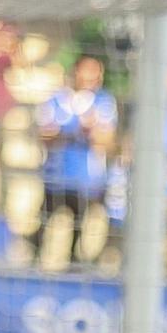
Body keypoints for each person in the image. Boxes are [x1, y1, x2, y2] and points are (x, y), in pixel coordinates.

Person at [32, 55, 117, 266]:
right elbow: (44, 136)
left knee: (80, 231)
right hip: (56, 177)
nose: (91, 76)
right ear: (76, 72)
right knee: (43, 226)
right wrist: (73, 132)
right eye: (86, 70)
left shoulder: (104, 101)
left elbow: (106, 139)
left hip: (87, 181)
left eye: (96, 71)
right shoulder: (55, 100)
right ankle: (35, 266)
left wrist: (90, 131)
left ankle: (74, 270)